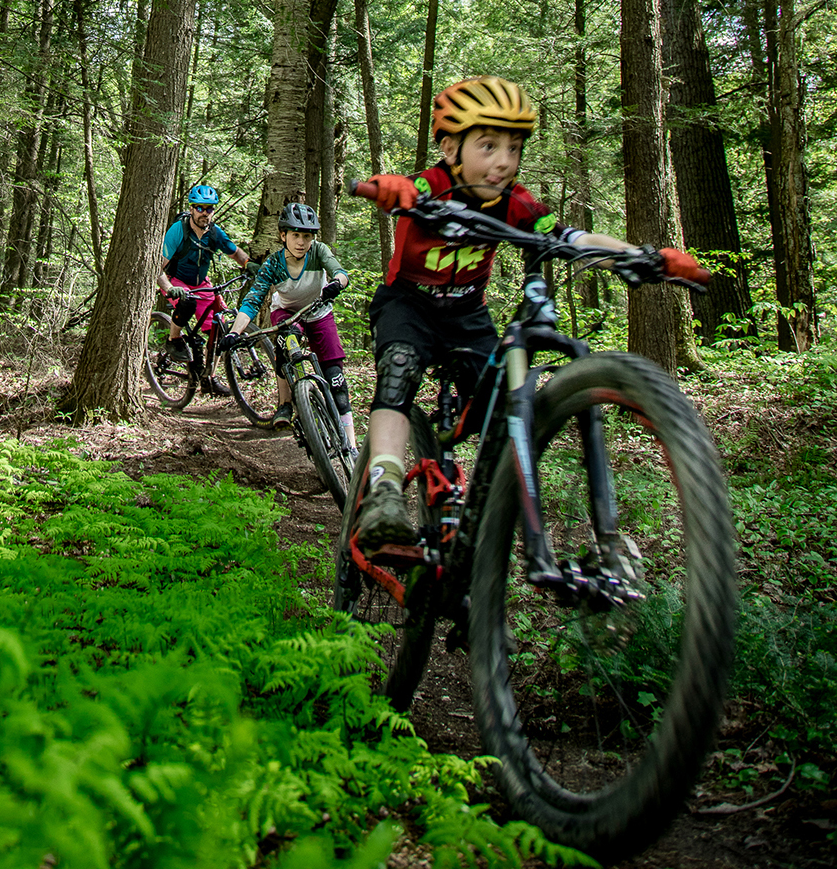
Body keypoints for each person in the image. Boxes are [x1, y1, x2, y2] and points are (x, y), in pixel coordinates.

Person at [353, 75, 703, 558]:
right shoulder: (429, 187)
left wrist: (640, 256)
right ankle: (386, 490)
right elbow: (398, 188)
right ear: (451, 148)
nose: (503, 161)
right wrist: (389, 189)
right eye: (489, 145)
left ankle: (485, 524)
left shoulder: (515, 203)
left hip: (468, 313)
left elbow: (572, 238)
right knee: (399, 370)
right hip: (408, 303)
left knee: (502, 406)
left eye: (514, 148)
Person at [221, 203, 357, 449]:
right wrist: (234, 332)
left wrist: (338, 282)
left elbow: (340, 271)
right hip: (286, 313)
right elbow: (252, 301)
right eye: (295, 235)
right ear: (283, 235)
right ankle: (286, 403)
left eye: (307, 235)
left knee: (337, 380)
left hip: (319, 312)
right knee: (287, 343)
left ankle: (352, 447)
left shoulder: (319, 251)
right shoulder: (273, 264)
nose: (301, 242)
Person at [157, 184, 255, 395]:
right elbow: (158, 267)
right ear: (192, 208)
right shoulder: (178, 231)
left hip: (201, 283)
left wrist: (249, 264)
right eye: (200, 208)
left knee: (219, 327)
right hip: (177, 281)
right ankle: (173, 339)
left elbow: (235, 252)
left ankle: (209, 377)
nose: (204, 213)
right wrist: (170, 288)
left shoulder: (214, 233)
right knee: (186, 303)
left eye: (209, 209)